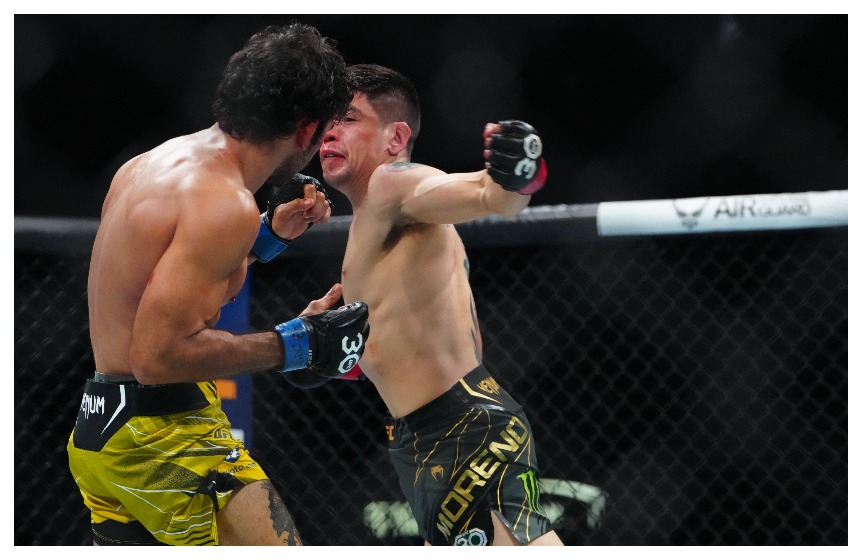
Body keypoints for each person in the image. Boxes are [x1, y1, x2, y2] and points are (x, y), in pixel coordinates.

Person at [66, 23, 370, 546]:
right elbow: (158, 356)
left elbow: (163, 288)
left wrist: (266, 239)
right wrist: (301, 343)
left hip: (102, 429)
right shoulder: (224, 202)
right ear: (306, 131)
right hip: (165, 436)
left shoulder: (149, 163)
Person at [317, 63, 563, 546]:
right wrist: (329, 349)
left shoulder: (393, 183)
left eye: (347, 118)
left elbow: (489, 195)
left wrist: (517, 174)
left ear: (395, 137)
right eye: (327, 121)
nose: (329, 132)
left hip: (461, 425)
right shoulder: (372, 221)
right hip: (427, 435)